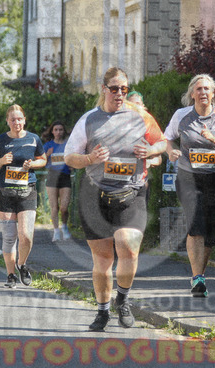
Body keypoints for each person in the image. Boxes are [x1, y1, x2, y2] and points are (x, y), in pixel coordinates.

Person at [65, 67, 166, 331]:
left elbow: (163, 143)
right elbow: (69, 157)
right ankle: (102, 311)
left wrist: (150, 150)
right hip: (94, 195)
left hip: (131, 192)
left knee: (127, 246)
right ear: (104, 89)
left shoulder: (140, 116)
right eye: (114, 89)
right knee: (103, 260)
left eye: (124, 89)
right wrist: (90, 158)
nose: (120, 93)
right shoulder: (89, 119)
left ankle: (122, 299)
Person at [165, 74, 215, 297]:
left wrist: (213, 139)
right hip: (189, 177)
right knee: (196, 225)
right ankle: (197, 278)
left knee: (209, 231)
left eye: (207, 89)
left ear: (214, 93)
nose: (203, 93)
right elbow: (167, 138)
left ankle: (200, 276)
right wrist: (171, 151)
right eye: (199, 89)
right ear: (192, 93)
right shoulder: (181, 115)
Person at [0, 104, 47, 288]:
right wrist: (1, 161)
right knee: (10, 236)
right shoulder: (0, 141)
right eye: (13, 119)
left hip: (27, 191)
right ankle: (10, 275)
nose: (16, 122)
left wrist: (32, 165)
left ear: (24, 120)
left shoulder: (33, 139)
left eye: (19, 119)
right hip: (5, 193)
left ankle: (22, 264)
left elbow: (43, 160)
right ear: (7, 121)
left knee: (26, 235)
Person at [41, 121, 72, 242]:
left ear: (64, 131)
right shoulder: (48, 145)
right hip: (52, 177)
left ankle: (64, 226)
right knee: (54, 207)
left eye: (60, 129)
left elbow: (73, 159)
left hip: (65, 177)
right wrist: (47, 155)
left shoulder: (68, 145)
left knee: (64, 207)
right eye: (56, 130)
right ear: (52, 132)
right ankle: (56, 231)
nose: (58, 132)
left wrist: (72, 164)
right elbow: (41, 162)